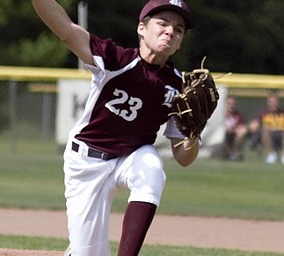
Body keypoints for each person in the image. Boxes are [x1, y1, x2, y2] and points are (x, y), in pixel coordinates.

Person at [32, 0, 199, 255]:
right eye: (162, 23)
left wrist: (193, 135)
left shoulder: (178, 88)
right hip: (87, 163)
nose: (170, 31)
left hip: (131, 158)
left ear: (180, 41)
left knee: (152, 168)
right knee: (86, 253)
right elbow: (66, 30)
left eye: (178, 29)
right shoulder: (115, 59)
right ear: (141, 28)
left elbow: (183, 158)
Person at [249, 92, 284, 164]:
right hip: (268, 135)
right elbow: (253, 126)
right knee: (265, 130)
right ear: (268, 103)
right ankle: (271, 154)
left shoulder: (282, 112)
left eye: (275, 102)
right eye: (272, 102)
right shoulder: (263, 113)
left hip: (281, 134)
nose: (274, 104)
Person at [222, 96, 248, 160]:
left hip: (234, 134)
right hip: (223, 134)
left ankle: (233, 153)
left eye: (233, 104)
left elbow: (241, 126)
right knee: (221, 132)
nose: (231, 106)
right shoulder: (221, 114)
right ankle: (229, 153)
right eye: (229, 104)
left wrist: (233, 129)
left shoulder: (238, 115)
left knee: (243, 130)